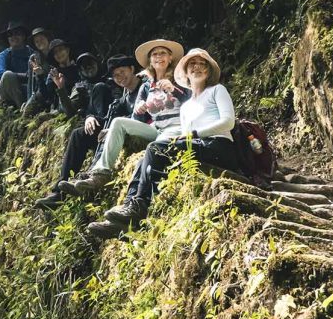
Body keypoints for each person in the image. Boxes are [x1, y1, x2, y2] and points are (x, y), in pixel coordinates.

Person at [87, 48, 237, 239]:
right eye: (192, 64)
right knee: (145, 159)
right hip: (197, 146)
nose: (197, 67)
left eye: (202, 64)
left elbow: (228, 121)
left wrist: (195, 134)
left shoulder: (217, 90)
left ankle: (140, 208)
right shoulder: (187, 106)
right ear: (186, 72)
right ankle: (127, 212)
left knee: (155, 148)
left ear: (209, 71)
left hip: (219, 146)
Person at [60, 39, 188, 198]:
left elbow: (193, 100)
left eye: (162, 53)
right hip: (156, 129)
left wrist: (173, 90)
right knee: (117, 122)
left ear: (170, 57)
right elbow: (136, 119)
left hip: (178, 127)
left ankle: (135, 199)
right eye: (154, 54)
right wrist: (139, 110)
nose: (158, 57)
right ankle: (100, 174)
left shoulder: (180, 78)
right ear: (150, 61)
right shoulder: (147, 86)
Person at [34, 54, 142, 208]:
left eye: (122, 72)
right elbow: (70, 111)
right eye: (116, 74)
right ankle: (59, 192)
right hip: (105, 123)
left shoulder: (131, 86)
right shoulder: (82, 86)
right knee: (78, 134)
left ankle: (93, 172)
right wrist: (88, 115)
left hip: (125, 126)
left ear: (132, 69)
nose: (120, 77)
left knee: (100, 89)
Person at [0, 21, 32, 107]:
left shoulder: (32, 53)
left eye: (17, 33)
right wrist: (24, 75)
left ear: (23, 36)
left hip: (29, 91)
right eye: (10, 34)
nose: (13, 37)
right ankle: (22, 110)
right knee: (8, 75)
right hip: (10, 95)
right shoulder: (4, 55)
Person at [24, 27, 53, 112]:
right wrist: (29, 100)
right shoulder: (34, 58)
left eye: (42, 39)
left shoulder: (56, 52)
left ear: (47, 38)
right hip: (41, 89)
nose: (40, 42)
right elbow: (31, 82)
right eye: (37, 41)